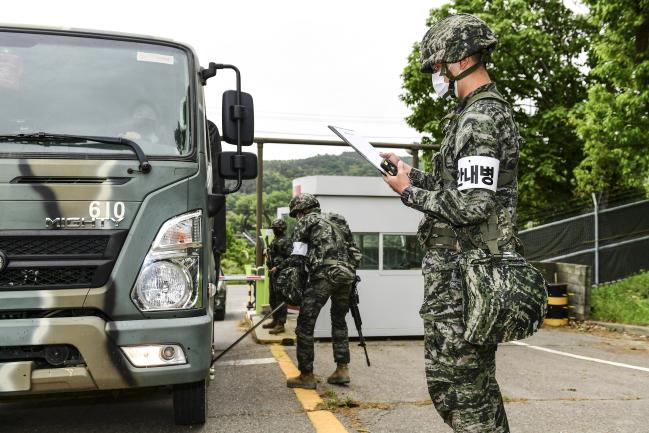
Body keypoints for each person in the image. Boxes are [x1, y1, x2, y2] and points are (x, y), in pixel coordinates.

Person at [383, 13, 521, 433]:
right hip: (466, 271)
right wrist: (412, 175)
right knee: (471, 387)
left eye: (439, 65)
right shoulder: (478, 113)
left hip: (465, 273)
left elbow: (474, 205)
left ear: (459, 60)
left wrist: (410, 193)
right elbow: (464, 188)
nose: (437, 74)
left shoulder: (478, 119)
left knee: (459, 390)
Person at [285, 193, 358, 390]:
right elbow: (354, 251)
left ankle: (306, 375)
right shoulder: (338, 219)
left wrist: (295, 290)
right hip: (346, 276)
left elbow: (298, 259)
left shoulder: (305, 222)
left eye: (297, 214)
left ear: (301, 211)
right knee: (339, 320)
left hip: (324, 276)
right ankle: (342, 370)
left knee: (305, 325)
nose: (298, 218)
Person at [262, 218, 292, 334]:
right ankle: (275, 320)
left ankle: (281, 324)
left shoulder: (286, 241)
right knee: (272, 299)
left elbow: (290, 257)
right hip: (273, 274)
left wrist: (278, 267)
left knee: (280, 299)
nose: (274, 231)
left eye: (275, 229)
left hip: (281, 275)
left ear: (280, 229)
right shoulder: (275, 240)